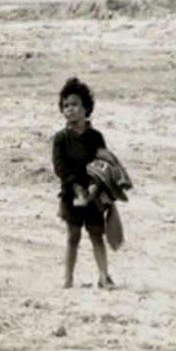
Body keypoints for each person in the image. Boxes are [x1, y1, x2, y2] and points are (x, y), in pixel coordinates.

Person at [53, 77, 115, 289]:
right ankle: (67, 279)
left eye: (75, 104)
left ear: (86, 108)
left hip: (94, 194)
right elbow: (60, 167)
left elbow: (103, 163)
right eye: (66, 105)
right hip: (71, 194)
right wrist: (76, 187)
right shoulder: (60, 139)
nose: (70, 109)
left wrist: (94, 187)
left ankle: (104, 275)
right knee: (73, 236)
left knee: (97, 234)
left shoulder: (96, 137)